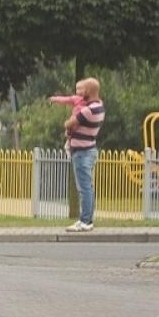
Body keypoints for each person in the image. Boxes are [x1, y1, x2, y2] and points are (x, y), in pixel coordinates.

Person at [63, 77, 104, 233]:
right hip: (89, 148)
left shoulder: (89, 110)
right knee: (87, 187)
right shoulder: (99, 106)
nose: (79, 92)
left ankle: (85, 221)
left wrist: (68, 124)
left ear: (88, 91)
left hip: (82, 151)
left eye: (82, 89)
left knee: (84, 188)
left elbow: (69, 123)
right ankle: (87, 219)